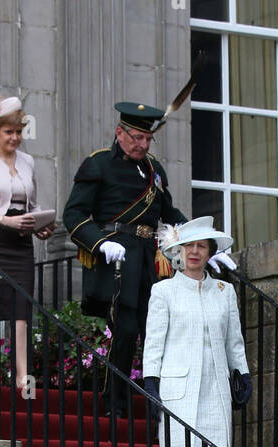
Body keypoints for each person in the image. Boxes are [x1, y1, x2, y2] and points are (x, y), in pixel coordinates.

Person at [62, 101, 187, 416]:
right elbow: (74, 214)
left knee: (156, 333)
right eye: (135, 138)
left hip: (148, 261)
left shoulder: (154, 170)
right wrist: (99, 242)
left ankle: (157, 406)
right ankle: (114, 404)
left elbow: (169, 215)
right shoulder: (99, 164)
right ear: (120, 133)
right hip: (116, 259)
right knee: (125, 330)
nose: (141, 144)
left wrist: (202, 240)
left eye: (147, 139)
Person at [141, 216, 251, 447]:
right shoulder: (164, 291)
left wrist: (242, 373)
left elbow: (235, 339)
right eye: (189, 245)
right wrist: (150, 379)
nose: (194, 251)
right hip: (179, 386)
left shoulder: (224, 291)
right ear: (178, 250)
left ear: (209, 252)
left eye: (201, 246)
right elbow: (155, 341)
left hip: (216, 385)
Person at [0, 97, 56, 389]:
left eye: (19, 131)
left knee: (21, 309)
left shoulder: (28, 161)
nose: (15, 137)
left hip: (20, 241)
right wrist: (7, 221)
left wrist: (40, 226)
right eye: (9, 132)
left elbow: (32, 202)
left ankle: (22, 378)